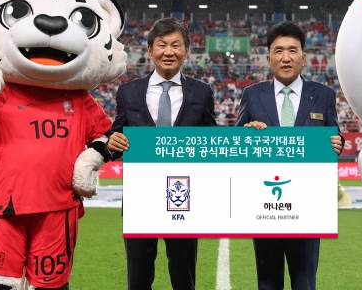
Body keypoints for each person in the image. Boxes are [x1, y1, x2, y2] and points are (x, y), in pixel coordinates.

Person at [107, 17, 216, 290]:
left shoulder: (202, 92)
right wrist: (113, 142)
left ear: (187, 51)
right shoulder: (128, 92)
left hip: (183, 197)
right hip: (140, 198)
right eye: (162, 45)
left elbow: (212, 142)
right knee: (139, 279)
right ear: (149, 50)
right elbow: (116, 134)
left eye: (176, 45)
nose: (169, 52)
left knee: (184, 278)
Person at [235, 21, 344, 290]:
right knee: (268, 283)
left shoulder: (324, 95)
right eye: (279, 50)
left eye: (293, 50)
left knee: (305, 283)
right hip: (264, 205)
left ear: (303, 57)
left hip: (308, 205)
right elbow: (236, 145)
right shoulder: (251, 94)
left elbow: (335, 139)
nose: (286, 57)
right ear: (269, 57)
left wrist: (337, 144)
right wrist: (247, 135)